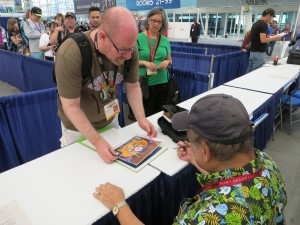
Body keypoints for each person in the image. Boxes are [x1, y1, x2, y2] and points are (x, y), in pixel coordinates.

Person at [93, 94, 287, 225]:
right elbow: (232, 179)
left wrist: (119, 205)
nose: (188, 144)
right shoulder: (266, 163)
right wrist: (195, 160)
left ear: (206, 151)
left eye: (191, 141)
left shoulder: (208, 217)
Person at [55, 6, 157, 163]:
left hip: (110, 120)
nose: (128, 56)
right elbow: (70, 106)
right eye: (123, 50)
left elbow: (133, 86)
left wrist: (141, 118)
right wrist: (97, 142)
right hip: (78, 129)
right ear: (102, 37)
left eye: (131, 50)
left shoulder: (128, 48)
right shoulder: (71, 52)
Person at [137, 7, 172, 117]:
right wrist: (144, 63)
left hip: (162, 81)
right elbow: (131, 61)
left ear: (163, 23)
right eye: (153, 20)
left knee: (160, 113)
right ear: (148, 20)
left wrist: (167, 62)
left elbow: (169, 59)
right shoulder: (138, 38)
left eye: (159, 21)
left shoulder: (165, 40)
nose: (156, 24)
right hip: (146, 83)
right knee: (146, 114)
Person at [246, 8, 282, 73]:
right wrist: (275, 38)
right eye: (271, 17)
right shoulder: (263, 25)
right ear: (268, 15)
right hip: (259, 53)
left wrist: (268, 36)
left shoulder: (256, 23)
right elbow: (263, 40)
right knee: (256, 73)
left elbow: (257, 37)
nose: (271, 19)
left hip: (253, 52)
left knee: (249, 72)